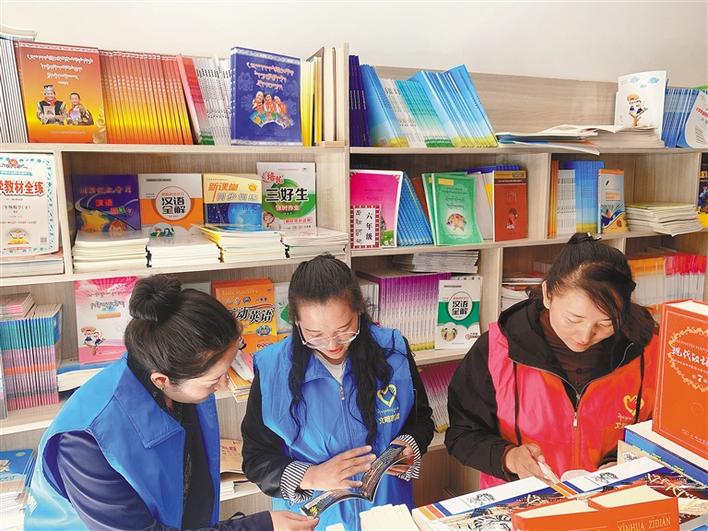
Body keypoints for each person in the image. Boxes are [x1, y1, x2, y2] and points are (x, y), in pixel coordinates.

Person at [26, 275, 318, 531]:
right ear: (162, 380)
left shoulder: (178, 380)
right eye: (215, 379)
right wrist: (259, 526)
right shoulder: (83, 445)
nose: (222, 385)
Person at [446, 233, 658, 489]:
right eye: (574, 319)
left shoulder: (649, 350)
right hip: (522, 499)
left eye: (605, 323)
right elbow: (462, 434)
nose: (585, 335)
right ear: (547, 294)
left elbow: (666, 433)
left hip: (615, 498)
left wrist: (622, 461)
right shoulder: (497, 349)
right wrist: (509, 458)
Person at [242, 255, 434, 530]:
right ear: (296, 322)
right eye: (315, 334)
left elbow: (422, 420)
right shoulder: (273, 368)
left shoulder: (393, 350)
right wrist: (311, 475)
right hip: (315, 523)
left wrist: (410, 445)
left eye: (344, 330)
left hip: (388, 515)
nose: (332, 344)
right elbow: (256, 460)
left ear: (359, 310)